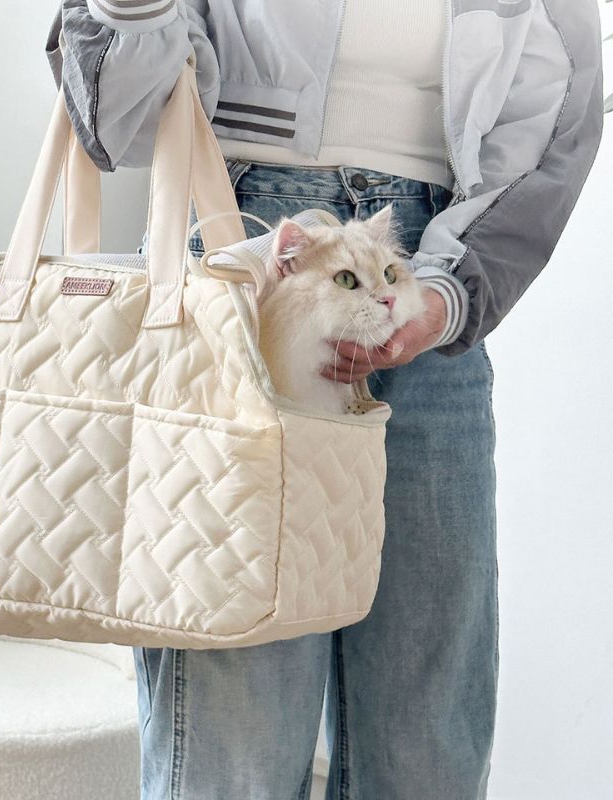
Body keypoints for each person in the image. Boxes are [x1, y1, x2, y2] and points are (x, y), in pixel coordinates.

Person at [46, 2, 604, 798]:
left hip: (429, 264)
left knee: (428, 747)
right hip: (244, 249)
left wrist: (447, 295)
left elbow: (557, 118)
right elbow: (118, 124)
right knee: (233, 744)